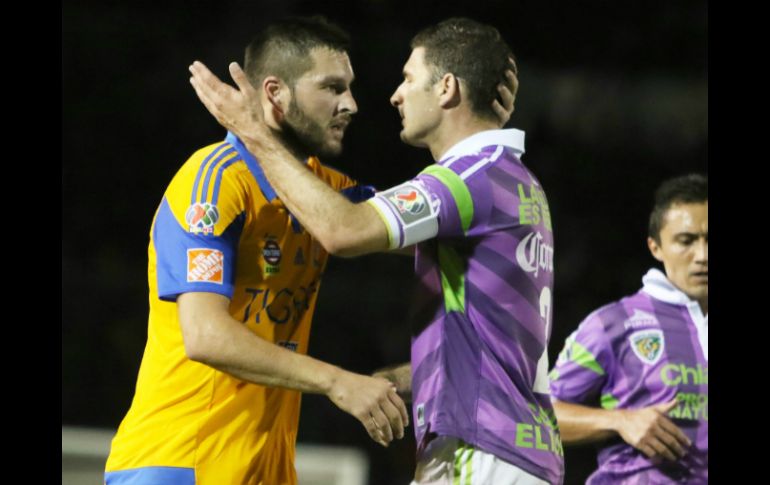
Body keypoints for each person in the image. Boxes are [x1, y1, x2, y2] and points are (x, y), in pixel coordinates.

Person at [190, 17, 564, 485]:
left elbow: (342, 230)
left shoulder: (468, 179)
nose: (394, 95)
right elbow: (486, 336)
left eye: (409, 78)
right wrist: (391, 382)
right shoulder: (513, 181)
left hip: (480, 450)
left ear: (446, 88)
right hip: (512, 448)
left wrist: (253, 132)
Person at [104, 17, 412, 485]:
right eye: (331, 87)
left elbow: (443, 234)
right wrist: (337, 381)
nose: (350, 104)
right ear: (275, 93)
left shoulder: (327, 195)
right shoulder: (213, 181)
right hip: (181, 463)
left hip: (263, 470)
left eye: (349, 88)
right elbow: (205, 335)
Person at [548, 174, 708, 484]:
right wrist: (619, 421)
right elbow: (538, 416)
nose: (703, 256)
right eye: (686, 241)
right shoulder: (613, 325)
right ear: (656, 247)